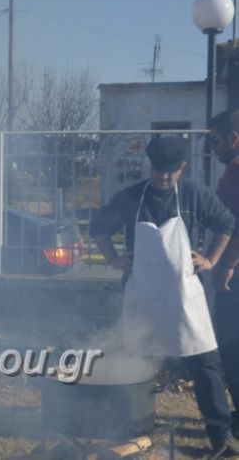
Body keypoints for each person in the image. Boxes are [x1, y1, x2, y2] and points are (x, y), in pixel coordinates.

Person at [90, 136, 239, 456]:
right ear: (151, 166)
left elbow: (227, 223)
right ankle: (132, 428)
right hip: (144, 297)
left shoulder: (195, 195)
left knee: (205, 365)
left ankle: (220, 434)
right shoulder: (132, 196)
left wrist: (212, 260)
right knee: (134, 361)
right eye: (158, 169)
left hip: (185, 299)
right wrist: (113, 257)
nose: (162, 176)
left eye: (169, 171)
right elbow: (99, 226)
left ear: (182, 167)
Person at [209, 109, 239, 436]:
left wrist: (227, 266)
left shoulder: (236, 172)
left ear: (233, 138)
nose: (213, 147)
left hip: (236, 276)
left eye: (215, 140)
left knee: (234, 347)